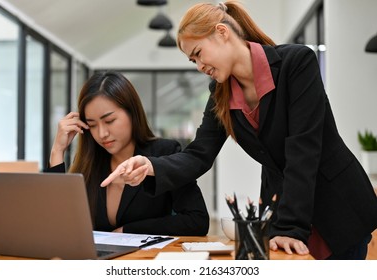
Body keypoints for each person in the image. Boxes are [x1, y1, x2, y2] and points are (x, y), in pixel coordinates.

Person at [101, 1, 377, 259]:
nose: (199, 67)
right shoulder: (220, 94)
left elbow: (303, 149)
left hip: (338, 206)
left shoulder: (296, 63)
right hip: (284, 212)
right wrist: (151, 166)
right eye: (192, 61)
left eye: (198, 54)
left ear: (221, 32)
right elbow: (199, 154)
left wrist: (290, 227)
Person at [47, 70, 209, 236]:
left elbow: (197, 220)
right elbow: (57, 222)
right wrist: (57, 152)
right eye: (92, 125)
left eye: (109, 121)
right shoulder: (89, 162)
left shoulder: (164, 153)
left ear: (132, 112)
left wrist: (129, 231)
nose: (102, 133)